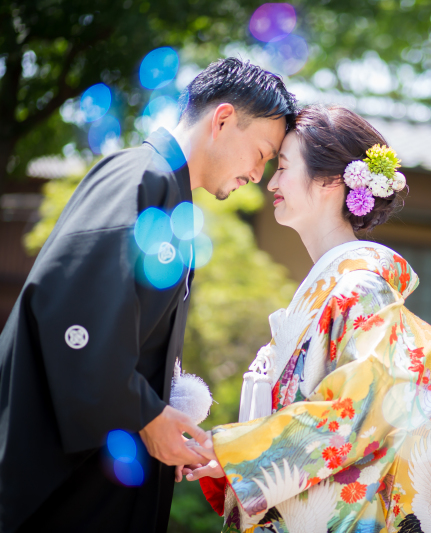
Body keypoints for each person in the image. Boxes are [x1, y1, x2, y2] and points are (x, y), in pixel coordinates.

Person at [0, 57, 296, 532]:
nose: (258, 175)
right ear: (222, 119)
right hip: (63, 483)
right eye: (261, 153)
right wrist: (147, 413)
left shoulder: (164, 188)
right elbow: (75, 316)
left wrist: (161, 412)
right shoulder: (144, 177)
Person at [182, 105, 431, 533]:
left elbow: (356, 411)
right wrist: (230, 461)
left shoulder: (361, 288)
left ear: (329, 181)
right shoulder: (336, 288)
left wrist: (239, 454)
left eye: (284, 167)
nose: (270, 181)